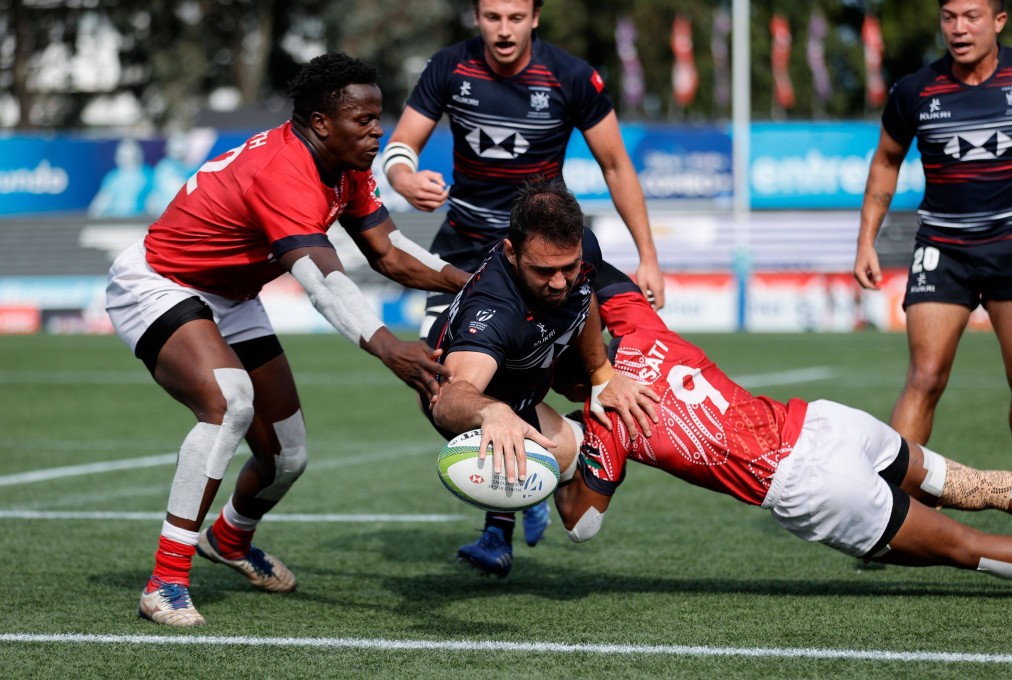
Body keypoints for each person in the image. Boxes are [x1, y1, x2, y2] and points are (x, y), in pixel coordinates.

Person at [105, 53, 470, 627]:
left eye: (379, 116)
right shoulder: (284, 170)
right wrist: (387, 346)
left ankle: (228, 540)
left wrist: (469, 282)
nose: (378, 129)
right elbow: (322, 284)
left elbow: (391, 253)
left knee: (287, 456)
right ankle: (165, 582)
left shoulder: (345, 162)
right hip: (159, 283)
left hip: (232, 294)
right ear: (321, 122)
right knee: (228, 403)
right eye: (364, 118)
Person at [384, 0, 665, 550]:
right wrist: (402, 177)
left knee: (590, 368)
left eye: (515, 17)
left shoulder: (569, 75)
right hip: (466, 253)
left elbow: (615, 164)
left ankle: (520, 502)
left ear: (535, 17)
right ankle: (520, 489)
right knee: (439, 387)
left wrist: (648, 254)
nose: (504, 29)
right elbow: (400, 146)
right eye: (492, 16)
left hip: (546, 253)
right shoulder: (449, 67)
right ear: (476, 17)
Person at [554, 273, 1012, 582]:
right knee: (966, 484)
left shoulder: (606, 422)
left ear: (576, 384)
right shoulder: (641, 328)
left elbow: (582, 525)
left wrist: (557, 466)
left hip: (814, 484)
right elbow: (601, 270)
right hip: (829, 422)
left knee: (967, 548)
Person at [423, 177, 658, 577]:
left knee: (644, 381)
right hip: (492, 399)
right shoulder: (494, 310)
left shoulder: (579, 252)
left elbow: (582, 298)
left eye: (569, 266)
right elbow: (448, 399)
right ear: (512, 253)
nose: (559, 281)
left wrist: (602, 374)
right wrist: (492, 413)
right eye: (544, 270)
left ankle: (525, 495)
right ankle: (516, 507)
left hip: (536, 368)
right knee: (578, 513)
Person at [853, 0, 1012, 531]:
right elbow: (885, 161)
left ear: (999, 21)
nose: (958, 27)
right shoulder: (915, 90)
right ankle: (890, 515)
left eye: (972, 16)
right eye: (949, 16)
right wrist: (866, 241)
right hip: (943, 250)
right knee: (924, 377)